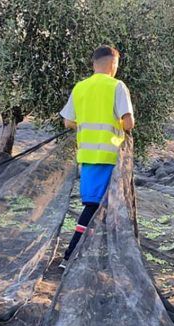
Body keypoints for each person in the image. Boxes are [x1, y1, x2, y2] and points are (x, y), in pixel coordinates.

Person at [58, 45, 135, 268]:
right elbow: (128, 122)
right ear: (113, 65)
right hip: (110, 157)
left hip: (87, 157)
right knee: (97, 208)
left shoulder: (81, 87)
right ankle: (71, 255)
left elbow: (68, 121)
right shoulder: (117, 87)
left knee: (93, 205)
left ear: (94, 64)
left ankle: (90, 254)